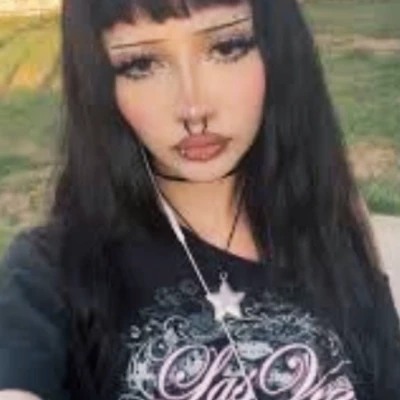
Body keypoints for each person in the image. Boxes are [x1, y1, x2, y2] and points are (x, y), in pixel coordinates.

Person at [0, 0, 399, 399]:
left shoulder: (330, 220)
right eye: (141, 64)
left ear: (277, 49)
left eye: (227, 47)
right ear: (100, 84)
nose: (194, 109)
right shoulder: (50, 272)